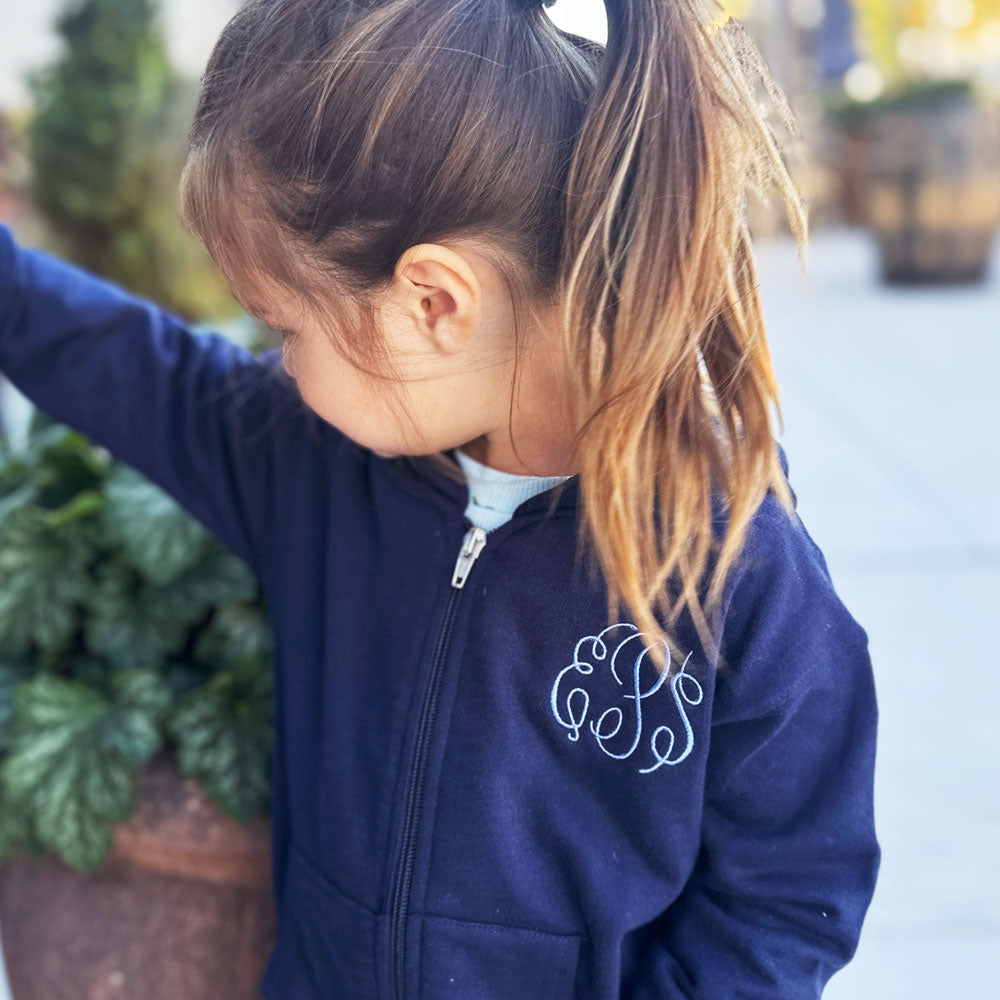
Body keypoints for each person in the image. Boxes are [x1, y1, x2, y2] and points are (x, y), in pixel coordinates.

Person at [0, 0, 880, 996]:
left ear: (433, 302)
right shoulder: (311, 464)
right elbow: (135, 367)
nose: (277, 366)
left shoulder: (734, 567)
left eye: (285, 325)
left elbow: (788, 896)